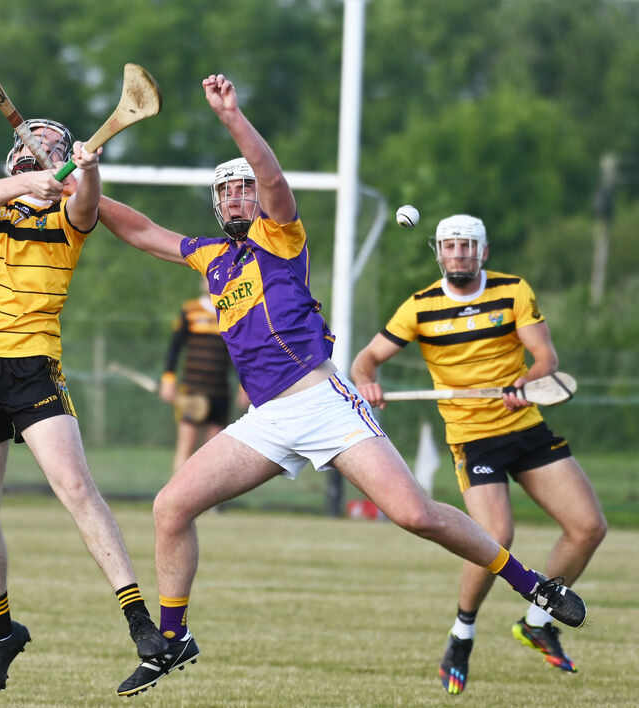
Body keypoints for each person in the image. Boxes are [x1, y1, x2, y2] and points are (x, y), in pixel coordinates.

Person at [96, 75, 589, 698]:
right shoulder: (209, 258)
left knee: (415, 514)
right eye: (229, 190)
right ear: (216, 204)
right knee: (170, 508)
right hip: (268, 419)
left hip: (324, 402)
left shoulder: (281, 236)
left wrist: (233, 121)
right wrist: (80, 181)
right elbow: (138, 229)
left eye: (244, 187)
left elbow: (275, 181)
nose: (240, 196)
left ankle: (531, 583)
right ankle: (174, 639)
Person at [0, 118, 167, 703]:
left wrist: (83, 174)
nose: (39, 153)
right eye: (32, 144)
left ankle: (140, 621)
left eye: (53, 148)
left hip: (33, 366)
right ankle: (1, 633)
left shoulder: (67, 215)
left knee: (74, 485)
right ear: (14, 155)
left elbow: (87, 210)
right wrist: (30, 182)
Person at [350, 214, 606, 695]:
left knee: (588, 527)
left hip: (524, 426)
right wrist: (366, 380)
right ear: (439, 252)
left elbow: (546, 360)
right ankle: (462, 634)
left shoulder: (513, 292)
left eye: (468, 246)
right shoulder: (420, 306)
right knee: (495, 534)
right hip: (472, 436)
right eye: (450, 246)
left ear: (483, 252)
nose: (459, 254)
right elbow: (366, 359)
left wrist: (524, 383)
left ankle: (536, 620)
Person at [160, 277, 249, 474]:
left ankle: (211, 503)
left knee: (214, 448)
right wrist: (168, 380)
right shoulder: (190, 310)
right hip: (192, 389)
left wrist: (245, 385)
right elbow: (174, 348)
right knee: (187, 443)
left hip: (219, 391)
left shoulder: (232, 314)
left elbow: (239, 354)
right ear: (201, 283)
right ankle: (179, 497)